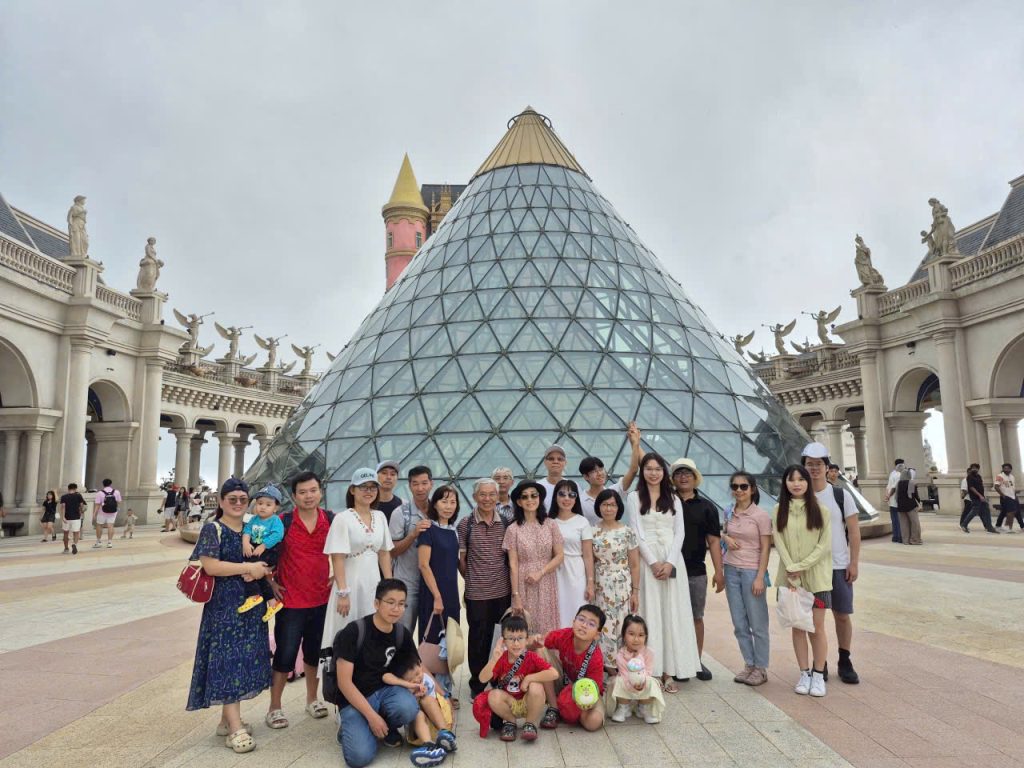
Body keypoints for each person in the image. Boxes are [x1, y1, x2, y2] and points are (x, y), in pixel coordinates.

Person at [186, 478, 272, 754]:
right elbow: (210, 566)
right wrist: (247, 567)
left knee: (241, 659)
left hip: (250, 605)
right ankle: (235, 728)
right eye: (232, 499)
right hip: (224, 608)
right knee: (228, 662)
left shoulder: (251, 528)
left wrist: (262, 569)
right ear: (221, 501)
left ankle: (227, 720)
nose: (238, 503)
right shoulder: (213, 529)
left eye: (242, 499)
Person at [333, 579, 446, 768]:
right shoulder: (354, 632)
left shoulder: (401, 633)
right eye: (390, 602)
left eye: (401, 604)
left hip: (386, 692)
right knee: (359, 758)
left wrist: (443, 694)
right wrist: (372, 717)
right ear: (377, 603)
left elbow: (419, 665)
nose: (396, 609)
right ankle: (352, 727)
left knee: (408, 707)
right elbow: (344, 683)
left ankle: (386, 727)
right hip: (355, 699)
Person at [626, 452, 701, 693]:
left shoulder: (674, 498)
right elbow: (635, 532)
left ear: (664, 472)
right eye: (649, 468)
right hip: (647, 561)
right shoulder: (634, 497)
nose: (653, 473)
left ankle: (670, 671)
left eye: (658, 469)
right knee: (651, 613)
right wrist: (653, 562)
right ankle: (653, 671)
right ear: (643, 471)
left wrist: (669, 563)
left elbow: (680, 533)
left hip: (672, 559)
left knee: (672, 614)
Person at [265, 470, 333, 730]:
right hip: (291, 601)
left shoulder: (330, 519)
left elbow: (346, 552)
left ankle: (312, 699)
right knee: (285, 654)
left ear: (320, 492)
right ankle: (274, 707)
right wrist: (270, 583)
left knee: (315, 654)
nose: (308, 496)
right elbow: (264, 554)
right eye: (302, 492)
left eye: (313, 490)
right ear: (294, 496)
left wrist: (338, 577)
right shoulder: (282, 522)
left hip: (321, 599)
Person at [321, 468, 395, 668]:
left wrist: (389, 586)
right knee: (347, 629)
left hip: (373, 583)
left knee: (373, 628)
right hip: (350, 583)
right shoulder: (342, 518)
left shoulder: (380, 516)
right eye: (363, 487)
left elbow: (384, 553)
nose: (368, 491)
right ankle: (341, 678)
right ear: (352, 490)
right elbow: (337, 557)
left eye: (372, 487)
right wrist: (343, 592)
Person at [802, 441, 861, 685]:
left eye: (819, 464)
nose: (814, 468)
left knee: (842, 615)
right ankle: (820, 662)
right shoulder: (799, 496)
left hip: (838, 565)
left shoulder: (841, 495)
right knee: (814, 619)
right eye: (809, 464)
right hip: (812, 568)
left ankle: (845, 659)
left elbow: (854, 531)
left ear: (827, 467)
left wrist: (853, 562)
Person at [772, 464, 832, 698]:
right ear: (785, 483)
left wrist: (800, 566)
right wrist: (791, 567)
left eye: (801, 479)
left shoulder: (821, 510)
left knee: (817, 628)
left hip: (817, 580)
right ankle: (804, 673)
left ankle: (818, 674)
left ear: (808, 482)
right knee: (797, 627)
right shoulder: (778, 510)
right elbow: (779, 541)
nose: (796, 484)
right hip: (790, 580)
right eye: (791, 479)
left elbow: (824, 545)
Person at [457, 478, 512, 699]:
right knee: (478, 639)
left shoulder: (506, 522)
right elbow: (462, 560)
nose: (487, 499)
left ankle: (498, 678)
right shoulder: (465, 524)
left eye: (491, 494)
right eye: (483, 494)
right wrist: (473, 579)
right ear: (474, 497)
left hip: (502, 591)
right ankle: (477, 683)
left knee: (501, 637)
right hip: (476, 593)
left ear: (498, 496)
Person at [671, 457, 723, 682]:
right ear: (673, 479)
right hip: (671, 569)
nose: (683, 477)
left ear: (695, 478)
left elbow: (713, 541)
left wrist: (719, 571)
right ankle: (675, 661)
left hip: (696, 570)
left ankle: (696, 660)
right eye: (679, 473)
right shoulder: (666, 503)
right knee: (673, 617)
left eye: (688, 473)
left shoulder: (707, 507)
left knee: (696, 617)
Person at [721, 472, 772, 686]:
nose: (739, 490)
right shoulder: (728, 512)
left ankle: (761, 667)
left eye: (743, 486)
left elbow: (766, 548)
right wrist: (725, 537)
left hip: (752, 571)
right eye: (735, 486)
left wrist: (760, 577)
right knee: (739, 623)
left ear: (752, 489)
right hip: (731, 569)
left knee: (757, 623)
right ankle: (749, 664)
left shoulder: (761, 515)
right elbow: (722, 532)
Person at [478, 613, 558, 742]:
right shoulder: (501, 658)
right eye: (511, 638)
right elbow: (482, 679)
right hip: (509, 703)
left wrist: (529, 678)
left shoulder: (531, 657)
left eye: (520, 638)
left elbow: (554, 673)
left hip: (528, 701)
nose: (516, 643)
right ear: (504, 641)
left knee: (536, 686)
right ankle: (510, 723)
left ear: (527, 640)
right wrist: (494, 659)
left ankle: (530, 724)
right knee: (493, 695)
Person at [417, 485, 461, 700]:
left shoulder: (454, 531)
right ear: (434, 504)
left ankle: (446, 691)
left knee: (449, 644)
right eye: (444, 501)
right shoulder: (428, 530)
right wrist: (436, 595)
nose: (448, 506)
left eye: (452, 502)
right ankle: (430, 692)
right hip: (433, 594)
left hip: (451, 594)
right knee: (432, 644)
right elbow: (424, 565)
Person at [533, 603, 607, 731]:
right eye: (581, 619)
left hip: (585, 691)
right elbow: (539, 642)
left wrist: (581, 703)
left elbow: (594, 690)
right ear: (573, 622)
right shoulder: (565, 635)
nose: (584, 625)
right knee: (540, 649)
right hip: (562, 681)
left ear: (597, 634)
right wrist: (534, 640)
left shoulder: (596, 657)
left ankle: (568, 710)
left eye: (591, 624)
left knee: (593, 722)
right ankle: (554, 708)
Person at [504, 480, 564, 636]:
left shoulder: (551, 524)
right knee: (526, 626)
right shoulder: (512, 529)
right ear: (519, 502)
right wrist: (516, 595)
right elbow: (513, 564)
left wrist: (541, 572)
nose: (530, 500)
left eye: (534, 495)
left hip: (547, 580)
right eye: (525, 497)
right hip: (524, 582)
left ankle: (547, 652)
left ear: (540, 498)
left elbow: (559, 556)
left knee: (547, 626)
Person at [591, 488, 639, 671]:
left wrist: (635, 592)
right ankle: (606, 666)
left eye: (612, 505)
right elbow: (590, 561)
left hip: (623, 584)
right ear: (599, 506)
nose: (608, 508)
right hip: (601, 584)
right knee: (604, 624)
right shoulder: (592, 531)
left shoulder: (627, 532)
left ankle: (624, 664)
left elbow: (634, 564)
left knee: (623, 622)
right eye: (605, 504)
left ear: (619, 507)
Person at [382, 650, 456, 752]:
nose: (417, 679)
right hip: (420, 731)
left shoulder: (426, 679)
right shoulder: (405, 689)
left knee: (427, 699)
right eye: (411, 680)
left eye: (417, 673)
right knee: (417, 714)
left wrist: (424, 696)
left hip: (439, 719)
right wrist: (412, 691)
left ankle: (445, 734)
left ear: (420, 665)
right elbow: (385, 677)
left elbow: (434, 700)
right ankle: (428, 744)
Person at [390, 466, 434, 632]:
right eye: (415, 484)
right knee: (403, 632)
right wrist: (413, 534)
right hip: (407, 584)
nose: (420, 488)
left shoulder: (440, 511)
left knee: (431, 635)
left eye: (424, 483)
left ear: (431, 484)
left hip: (432, 584)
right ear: (409, 486)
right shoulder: (400, 513)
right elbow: (392, 551)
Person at [237, 485, 286, 621]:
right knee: (260, 577)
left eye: (268, 504)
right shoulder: (254, 519)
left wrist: (264, 545)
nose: (263, 507)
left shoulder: (275, 520)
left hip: (269, 551)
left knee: (248, 571)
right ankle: (273, 603)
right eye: (260, 503)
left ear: (275, 508)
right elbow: (247, 531)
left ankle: (253, 596)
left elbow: (278, 535)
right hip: (257, 549)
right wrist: (245, 543)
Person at [551, 479, 595, 627]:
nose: (566, 498)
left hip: (576, 571)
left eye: (572, 495)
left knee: (577, 610)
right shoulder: (549, 522)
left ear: (576, 498)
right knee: (557, 613)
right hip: (555, 572)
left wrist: (590, 583)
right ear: (555, 497)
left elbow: (588, 555)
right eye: (562, 494)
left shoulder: (582, 522)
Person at [578, 422, 642, 525]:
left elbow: (633, 470)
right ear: (585, 476)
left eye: (601, 469)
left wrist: (635, 443)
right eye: (594, 471)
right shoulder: (580, 501)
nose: (600, 473)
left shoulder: (614, 492)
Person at [608, 614, 665, 724]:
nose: (636, 639)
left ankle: (644, 707)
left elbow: (648, 672)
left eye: (641, 635)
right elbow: (624, 674)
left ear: (645, 637)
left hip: (642, 681)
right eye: (631, 634)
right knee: (617, 681)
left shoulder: (649, 653)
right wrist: (633, 684)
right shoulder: (621, 654)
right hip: (627, 682)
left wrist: (641, 683)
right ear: (624, 635)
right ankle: (623, 707)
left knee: (652, 682)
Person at [962, 464, 999, 533]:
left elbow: (981, 487)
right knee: (974, 511)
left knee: (986, 510)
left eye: (976, 468)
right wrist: (979, 495)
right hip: (975, 497)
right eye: (973, 468)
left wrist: (983, 496)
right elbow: (971, 487)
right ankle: (964, 524)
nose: (974, 469)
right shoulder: (970, 477)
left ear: (978, 469)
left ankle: (989, 527)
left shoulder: (979, 476)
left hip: (981, 497)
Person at [895, 468, 923, 545]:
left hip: (900, 506)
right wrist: (919, 502)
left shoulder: (898, 483)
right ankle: (915, 540)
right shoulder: (912, 483)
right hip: (911, 505)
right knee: (915, 523)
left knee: (904, 524)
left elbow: (896, 496)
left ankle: (906, 540)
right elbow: (915, 495)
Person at [92, 478, 121, 549]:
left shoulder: (99, 493)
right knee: (110, 526)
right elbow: (119, 502)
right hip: (113, 512)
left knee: (99, 526)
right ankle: (109, 542)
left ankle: (98, 542)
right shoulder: (116, 492)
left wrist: (94, 514)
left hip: (102, 512)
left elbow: (97, 505)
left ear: (103, 484)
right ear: (110, 484)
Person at [995, 463, 1022, 532]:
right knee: (1011, 512)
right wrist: (1003, 495)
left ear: (1011, 469)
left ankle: (998, 526)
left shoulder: (1012, 477)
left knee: (1006, 511)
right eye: (1005, 468)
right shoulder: (1000, 476)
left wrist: (1015, 495)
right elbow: (996, 487)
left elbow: (1011, 487)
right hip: (1006, 496)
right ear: (1003, 469)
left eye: (1008, 468)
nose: (1006, 470)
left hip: (1012, 496)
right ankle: (1008, 528)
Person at [60, 483, 86, 554]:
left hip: (67, 517)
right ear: (75, 489)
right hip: (76, 517)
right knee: (76, 532)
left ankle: (66, 549)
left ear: (68, 489)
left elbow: (63, 507)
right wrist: (81, 512)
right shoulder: (78, 496)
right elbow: (81, 505)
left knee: (66, 533)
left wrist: (63, 517)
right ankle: (75, 544)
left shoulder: (64, 497)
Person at [885, 460, 905, 543]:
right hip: (896, 500)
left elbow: (888, 486)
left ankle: (895, 536)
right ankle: (899, 537)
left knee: (894, 519)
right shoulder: (899, 475)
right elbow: (894, 488)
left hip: (891, 501)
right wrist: (889, 496)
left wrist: (887, 495)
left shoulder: (892, 473)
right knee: (899, 519)